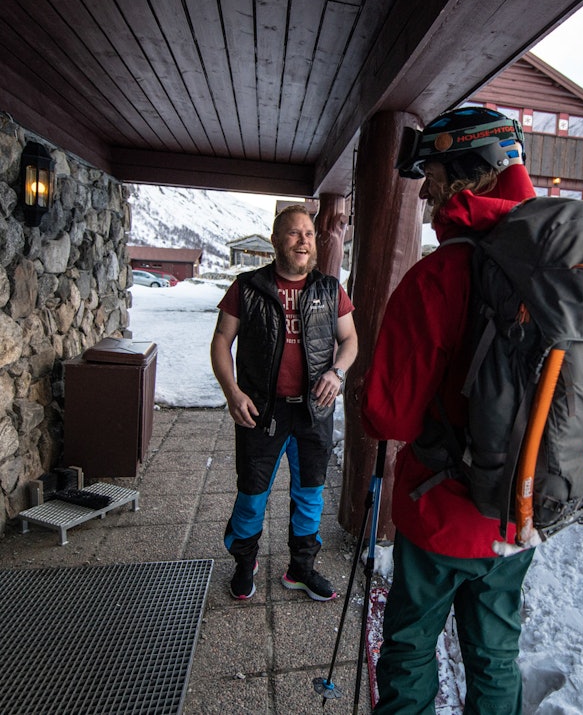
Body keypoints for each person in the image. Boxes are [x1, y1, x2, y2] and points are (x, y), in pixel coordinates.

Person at [361, 107, 538, 713]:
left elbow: (390, 418)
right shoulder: (555, 269)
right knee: (494, 657)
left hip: (441, 514)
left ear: (472, 171)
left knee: (411, 649)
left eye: (433, 172)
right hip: (520, 511)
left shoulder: (438, 275)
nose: (427, 189)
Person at [210, 203, 358, 602]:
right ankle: (244, 562)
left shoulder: (330, 289)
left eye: (309, 234)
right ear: (276, 240)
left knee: (311, 494)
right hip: (262, 411)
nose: (303, 240)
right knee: (252, 493)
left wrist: (337, 372)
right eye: (294, 233)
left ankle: (302, 568)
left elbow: (350, 340)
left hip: (313, 411)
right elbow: (221, 342)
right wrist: (233, 392)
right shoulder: (248, 287)